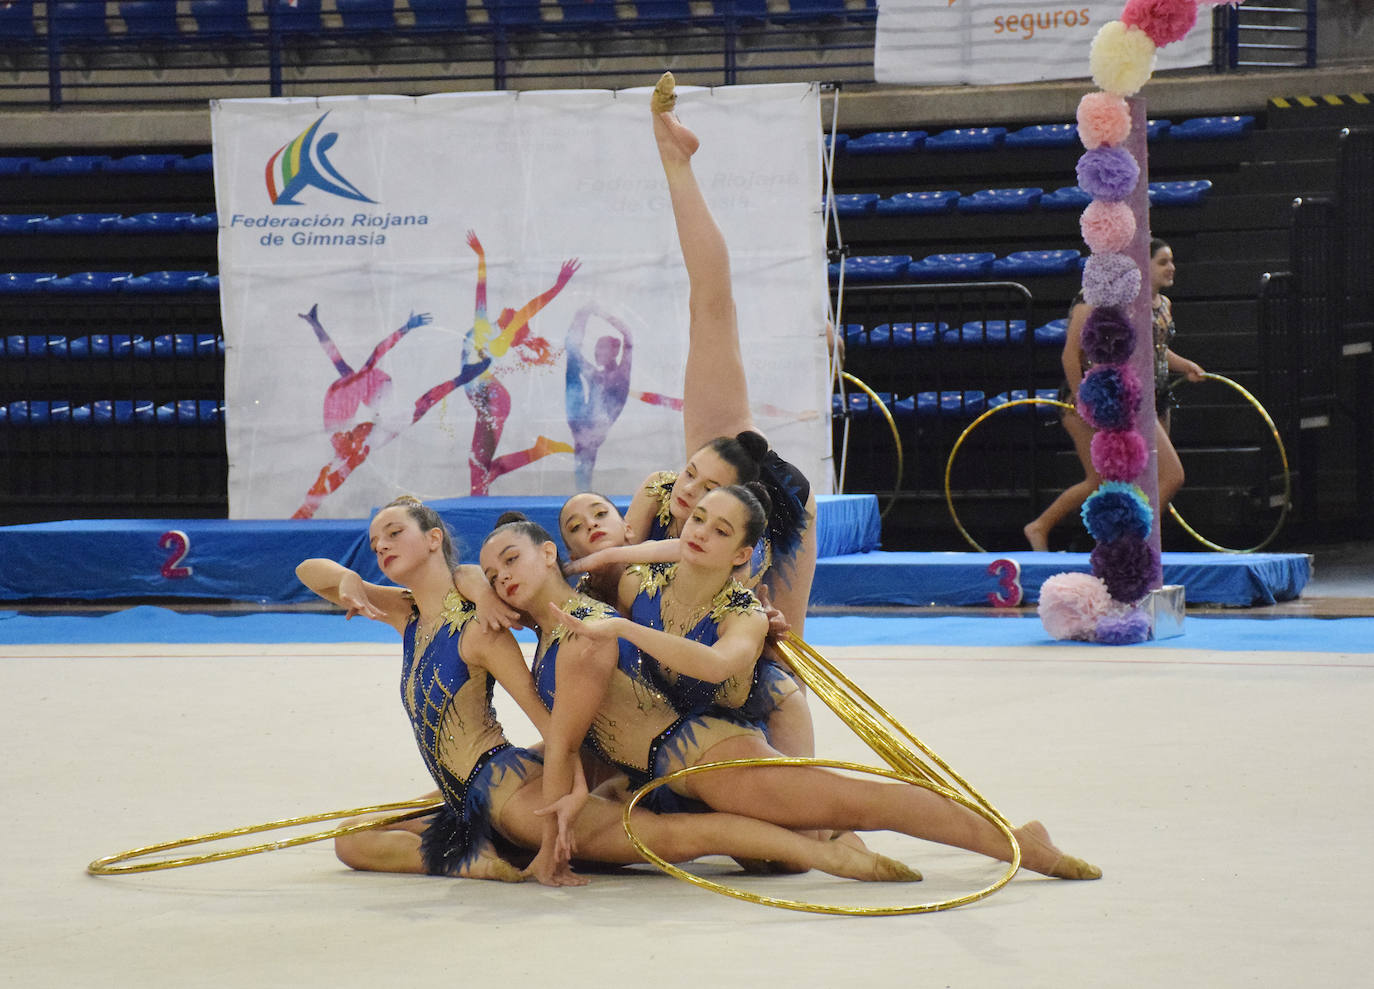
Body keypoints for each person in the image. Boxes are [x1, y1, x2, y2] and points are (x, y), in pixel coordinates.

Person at [479, 491, 1102, 885]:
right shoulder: (634, 588)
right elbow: (465, 574)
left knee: (861, 799)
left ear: (743, 552)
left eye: (720, 531)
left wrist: (625, 630)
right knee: (799, 837)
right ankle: (842, 846)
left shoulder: (708, 610)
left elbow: (718, 666)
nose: (699, 532)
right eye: (697, 519)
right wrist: (486, 586)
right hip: (668, 773)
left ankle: (1024, 847)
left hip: (706, 751)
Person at [296, 495, 918, 888]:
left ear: (432, 537)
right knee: (354, 838)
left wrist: (569, 784)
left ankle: (828, 850)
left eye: (393, 531)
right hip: (527, 775)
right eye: (374, 538)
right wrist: (353, 579)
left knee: (690, 834)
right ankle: (482, 857)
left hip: (586, 761)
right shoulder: (428, 609)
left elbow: (549, 718)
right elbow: (314, 574)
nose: (380, 545)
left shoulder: (511, 616)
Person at [616, 72, 820, 641]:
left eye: (703, 490)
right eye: (691, 479)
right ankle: (674, 159)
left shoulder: (763, 539)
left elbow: (786, 654)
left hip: (772, 512)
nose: (687, 491)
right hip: (741, 468)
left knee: (780, 649)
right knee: (709, 308)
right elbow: (713, 301)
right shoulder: (692, 476)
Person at [1023, 238, 1205, 551]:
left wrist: (1185, 365)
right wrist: (1085, 400)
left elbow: (1157, 352)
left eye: (1172, 261)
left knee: (1140, 480)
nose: (1171, 268)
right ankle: (1124, 540)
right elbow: (1071, 356)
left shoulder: (1159, 304)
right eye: (1163, 262)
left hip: (1149, 397)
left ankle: (1133, 542)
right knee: (1160, 476)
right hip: (1102, 400)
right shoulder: (1098, 301)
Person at [564, 304, 633, 491]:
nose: (597, 352)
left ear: (615, 351)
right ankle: (581, 314)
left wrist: (603, 314)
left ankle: (582, 313)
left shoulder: (620, 374)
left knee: (572, 354)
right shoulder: (598, 375)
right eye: (597, 347)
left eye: (602, 347)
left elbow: (628, 337)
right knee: (572, 355)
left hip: (591, 429)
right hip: (583, 423)